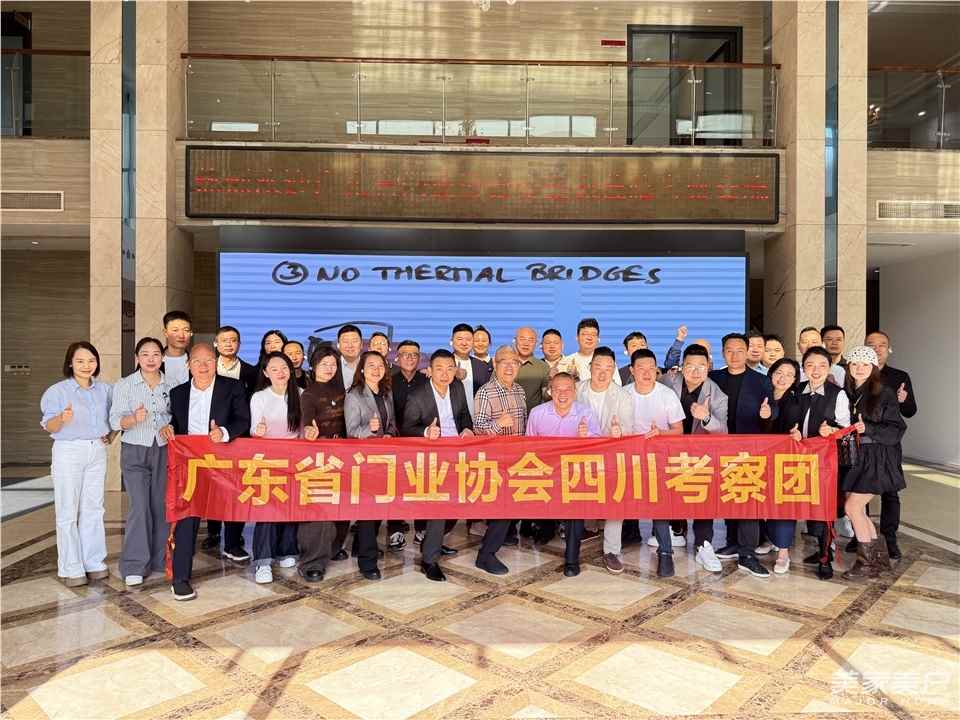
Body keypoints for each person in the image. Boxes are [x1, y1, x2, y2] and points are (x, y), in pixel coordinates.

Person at [169, 343, 251, 601]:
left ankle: (233, 544)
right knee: (188, 515)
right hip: (191, 463)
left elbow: (243, 420)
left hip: (224, 460)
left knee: (232, 505)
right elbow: (175, 424)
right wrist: (168, 428)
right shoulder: (178, 393)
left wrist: (223, 432)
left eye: (208, 361)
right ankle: (180, 578)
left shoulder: (233, 387)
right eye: (197, 361)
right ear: (188, 365)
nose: (203, 366)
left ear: (216, 363)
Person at [40, 342, 114, 587]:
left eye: (91, 360)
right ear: (70, 363)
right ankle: (71, 567)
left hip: (97, 450)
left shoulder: (105, 390)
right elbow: (49, 426)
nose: (86, 365)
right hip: (68, 450)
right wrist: (62, 418)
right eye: (80, 361)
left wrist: (111, 435)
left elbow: (116, 416)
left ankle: (93, 562)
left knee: (94, 507)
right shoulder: (57, 391)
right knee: (68, 510)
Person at [401, 349, 475, 581]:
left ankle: (433, 540)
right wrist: (425, 431)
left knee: (460, 502)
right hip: (432, 458)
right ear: (430, 370)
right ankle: (429, 560)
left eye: (450, 368)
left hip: (459, 454)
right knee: (440, 506)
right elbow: (406, 428)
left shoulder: (457, 387)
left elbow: (464, 414)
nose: (445, 374)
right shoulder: (417, 395)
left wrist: (467, 428)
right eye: (439, 369)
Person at [780, 348, 851, 579]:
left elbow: (846, 429)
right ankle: (818, 549)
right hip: (798, 460)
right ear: (804, 368)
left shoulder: (838, 394)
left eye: (822, 365)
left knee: (824, 510)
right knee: (806, 508)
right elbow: (787, 421)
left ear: (829, 368)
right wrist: (792, 432)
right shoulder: (796, 391)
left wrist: (832, 430)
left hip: (825, 462)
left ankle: (825, 558)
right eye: (810, 365)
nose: (816, 370)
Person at [109, 337, 174, 587]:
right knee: (139, 506)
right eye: (145, 354)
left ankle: (159, 559)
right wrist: (133, 419)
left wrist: (171, 426)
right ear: (137, 358)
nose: (150, 359)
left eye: (155, 354)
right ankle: (135, 564)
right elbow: (115, 420)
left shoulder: (171, 383)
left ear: (162, 357)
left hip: (164, 449)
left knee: (160, 505)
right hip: (135, 449)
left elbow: (176, 415)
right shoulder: (125, 384)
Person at [659, 344, 729, 573]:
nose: (696, 371)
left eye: (701, 366)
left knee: (702, 498)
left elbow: (723, 431)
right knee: (669, 492)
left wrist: (706, 417)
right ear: (682, 366)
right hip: (670, 451)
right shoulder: (668, 382)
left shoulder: (717, 393)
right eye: (690, 366)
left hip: (701, 454)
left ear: (709, 366)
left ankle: (703, 544)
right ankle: (675, 531)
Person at [709, 333, 773, 578]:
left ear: (747, 352)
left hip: (751, 450)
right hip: (721, 449)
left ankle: (748, 553)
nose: (734, 355)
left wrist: (767, 415)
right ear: (723, 353)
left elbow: (771, 415)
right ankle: (733, 542)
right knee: (729, 495)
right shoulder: (715, 378)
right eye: (729, 350)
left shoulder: (761, 381)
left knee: (748, 499)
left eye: (739, 350)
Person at [840, 345, 907, 580]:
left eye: (865, 364)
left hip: (878, 459)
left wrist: (867, 428)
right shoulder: (850, 392)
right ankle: (878, 559)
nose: (859, 368)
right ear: (848, 367)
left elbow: (897, 429)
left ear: (874, 368)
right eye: (855, 364)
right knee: (856, 507)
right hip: (858, 457)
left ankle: (867, 563)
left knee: (852, 507)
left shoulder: (884, 393)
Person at [526, 372, 601, 577]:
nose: (562, 393)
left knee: (575, 503)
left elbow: (599, 447)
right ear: (550, 391)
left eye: (567, 389)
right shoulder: (537, 413)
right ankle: (544, 527)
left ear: (575, 392)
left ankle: (572, 559)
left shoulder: (586, 413)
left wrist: (586, 438)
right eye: (557, 389)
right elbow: (528, 447)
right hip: (546, 472)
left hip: (573, 473)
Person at [622, 349, 685, 577]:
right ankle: (615, 547)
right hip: (628, 458)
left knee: (659, 505)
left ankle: (665, 552)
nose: (647, 373)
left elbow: (679, 430)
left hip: (659, 458)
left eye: (651, 368)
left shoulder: (667, 394)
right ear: (632, 370)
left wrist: (661, 433)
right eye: (641, 368)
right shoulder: (623, 394)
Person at [857, 330, 917, 561]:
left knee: (890, 492)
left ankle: (889, 538)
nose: (876, 348)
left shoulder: (899, 376)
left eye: (881, 345)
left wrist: (904, 400)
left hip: (888, 445)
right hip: (863, 447)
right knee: (860, 490)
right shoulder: (857, 374)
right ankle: (861, 538)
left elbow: (910, 412)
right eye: (871, 344)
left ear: (888, 349)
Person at [575, 347, 634, 574]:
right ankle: (581, 535)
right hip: (581, 454)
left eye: (608, 368)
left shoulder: (623, 395)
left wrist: (619, 433)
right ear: (590, 367)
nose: (603, 372)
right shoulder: (577, 389)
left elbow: (628, 430)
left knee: (616, 499)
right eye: (598, 366)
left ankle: (612, 550)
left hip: (612, 455)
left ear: (614, 370)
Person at [472, 345, 530, 573]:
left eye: (514, 362)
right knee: (503, 509)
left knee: (511, 506)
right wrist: (498, 424)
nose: (509, 366)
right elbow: (478, 429)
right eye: (504, 362)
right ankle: (485, 555)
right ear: (495, 365)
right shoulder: (486, 392)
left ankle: (503, 538)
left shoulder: (519, 390)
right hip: (495, 461)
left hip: (517, 459)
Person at [249, 351, 303, 584]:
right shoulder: (259, 397)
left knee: (290, 506)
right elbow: (253, 429)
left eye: (284, 368)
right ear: (265, 372)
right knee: (267, 510)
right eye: (274, 369)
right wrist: (258, 431)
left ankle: (287, 550)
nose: (280, 373)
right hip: (268, 460)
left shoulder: (301, 395)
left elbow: (304, 431)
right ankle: (263, 561)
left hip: (294, 459)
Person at [344, 350, 397, 580]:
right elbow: (351, 431)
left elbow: (392, 424)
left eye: (380, 365)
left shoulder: (386, 392)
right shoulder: (354, 395)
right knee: (367, 510)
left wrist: (389, 434)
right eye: (371, 365)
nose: (376, 370)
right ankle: (368, 561)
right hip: (363, 462)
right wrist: (371, 430)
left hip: (384, 460)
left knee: (379, 507)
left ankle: (361, 545)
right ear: (362, 369)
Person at [298, 345, 348, 581]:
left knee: (342, 505)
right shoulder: (308, 394)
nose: (329, 368)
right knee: (320, 509)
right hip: (319, 457)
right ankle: (312, 562)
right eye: (324, 364)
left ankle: (334, 548)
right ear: (313, 366)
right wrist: (309, 431)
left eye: (333, 364)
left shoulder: (342, 391)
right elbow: (307, 422)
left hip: (343, 455)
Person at [451, 323, 492, 418]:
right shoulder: (442, 364)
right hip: (449, 423)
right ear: (451, 341)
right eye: (460, 339)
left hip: (476, 421)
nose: (464, 343)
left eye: (468, 339)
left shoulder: (482, 367)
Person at [214, 325, 258, 398]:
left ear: (239, 344)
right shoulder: (207, 368)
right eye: (224, 340)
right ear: (215, 343)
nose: (228, 344)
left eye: (233, 340)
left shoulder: (251, 371)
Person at [392, 339, 428, 422]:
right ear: (397, 358)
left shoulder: (428, 381)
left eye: (414, 355)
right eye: (405, 355)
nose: (410, 358)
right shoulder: (389, 382)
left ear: (419, 358)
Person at [515, 327, 551, 409]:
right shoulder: (504, 363)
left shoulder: (543, 366)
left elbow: (546, 397)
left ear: (536, 344)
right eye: (522, 339)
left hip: (534, 415)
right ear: (515, 341)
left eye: (531, 340)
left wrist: (552, 383)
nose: (526, 343)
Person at [161, 310, 192, 388]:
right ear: (165, 333)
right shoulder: (152, 361)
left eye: (186, 330)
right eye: (175, 330)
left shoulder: (195, 361)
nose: (181, 335)